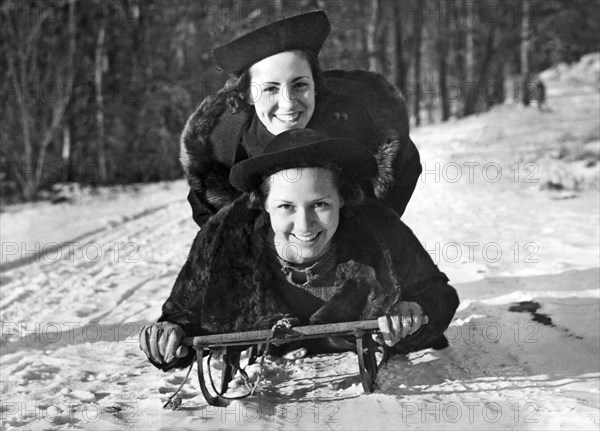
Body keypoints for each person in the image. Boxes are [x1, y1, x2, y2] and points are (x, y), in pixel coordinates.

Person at [140, 129, 459, 370]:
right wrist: (167, 338)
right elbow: (182, 322)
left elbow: (439, 295)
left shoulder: (377, 226)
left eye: (320, 204)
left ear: (342, 199)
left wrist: (413, 311)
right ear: (262, 205)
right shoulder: (225, 235)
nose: (304, 225)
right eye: (285, 207)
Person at [181, 10, 422, 227]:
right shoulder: (222, 152)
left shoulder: (356, 126)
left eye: (300, 85)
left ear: (316, 85)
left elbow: (402, 170)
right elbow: (214, 226)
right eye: (270, 89)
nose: (288, 103)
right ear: (247, 95)